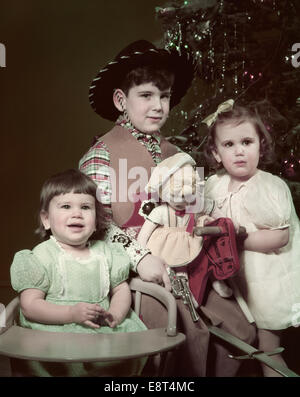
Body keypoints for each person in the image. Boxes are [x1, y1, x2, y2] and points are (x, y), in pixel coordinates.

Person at [79, 40, 256, 376]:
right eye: (147, 95)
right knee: (183, 337)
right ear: (121, 100)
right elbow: (98, 224)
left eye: (165, 96)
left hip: (187, 262)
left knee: (241, 329)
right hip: (134, 271)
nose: (159, 105)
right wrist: (141, 257)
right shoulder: (100, 156)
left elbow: (191, 211)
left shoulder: (177, 153)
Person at [10, 169, 147, 377]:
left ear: (96, 221)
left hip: (101, 331)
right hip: (56, 332)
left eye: (85, 207)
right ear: (46, 219)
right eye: (66, 206)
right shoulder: (41, 256)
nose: (77, 214)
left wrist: (116, 315)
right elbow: (30, 306)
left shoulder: (107, 253)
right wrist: (71, 314)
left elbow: (120, 290)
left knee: (127, 354)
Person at [203, 100, 300, 376]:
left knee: (268, 351)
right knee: (241, 344)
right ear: (216, 152)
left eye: (247, 142)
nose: (239, 151)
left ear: (261, 145)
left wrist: (233, 240)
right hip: (236, 282)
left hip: (269, 283)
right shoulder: (215, 185)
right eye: (229, 145)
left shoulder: (269, 186)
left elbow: (279, 238)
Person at [137, 151, 233, 300]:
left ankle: (216, 280)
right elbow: (144, 234)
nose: (183, 203)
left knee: (207, 258)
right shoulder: (161, 212)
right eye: (177, 198)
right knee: (180, 270)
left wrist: (227, 222)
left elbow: (212, 208)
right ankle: (188, 295)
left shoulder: (195, 204)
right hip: (171, 246)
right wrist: (141, 252)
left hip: (193, 239)